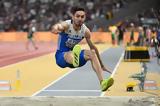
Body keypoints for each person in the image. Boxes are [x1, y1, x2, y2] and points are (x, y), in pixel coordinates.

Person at [51, 6, 114, 91]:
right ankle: (74, 59)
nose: (80, 19)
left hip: (74, 59)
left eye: (82, 17)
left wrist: (102, 65)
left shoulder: (85, 31)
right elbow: (58, 26)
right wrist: (55, 28)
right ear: (73, 17)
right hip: (61, 57)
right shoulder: (66, 25)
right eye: (77, 16)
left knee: (92, 53)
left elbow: (94, 48)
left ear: (84, 18)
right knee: (69, 54)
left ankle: (102, 82)